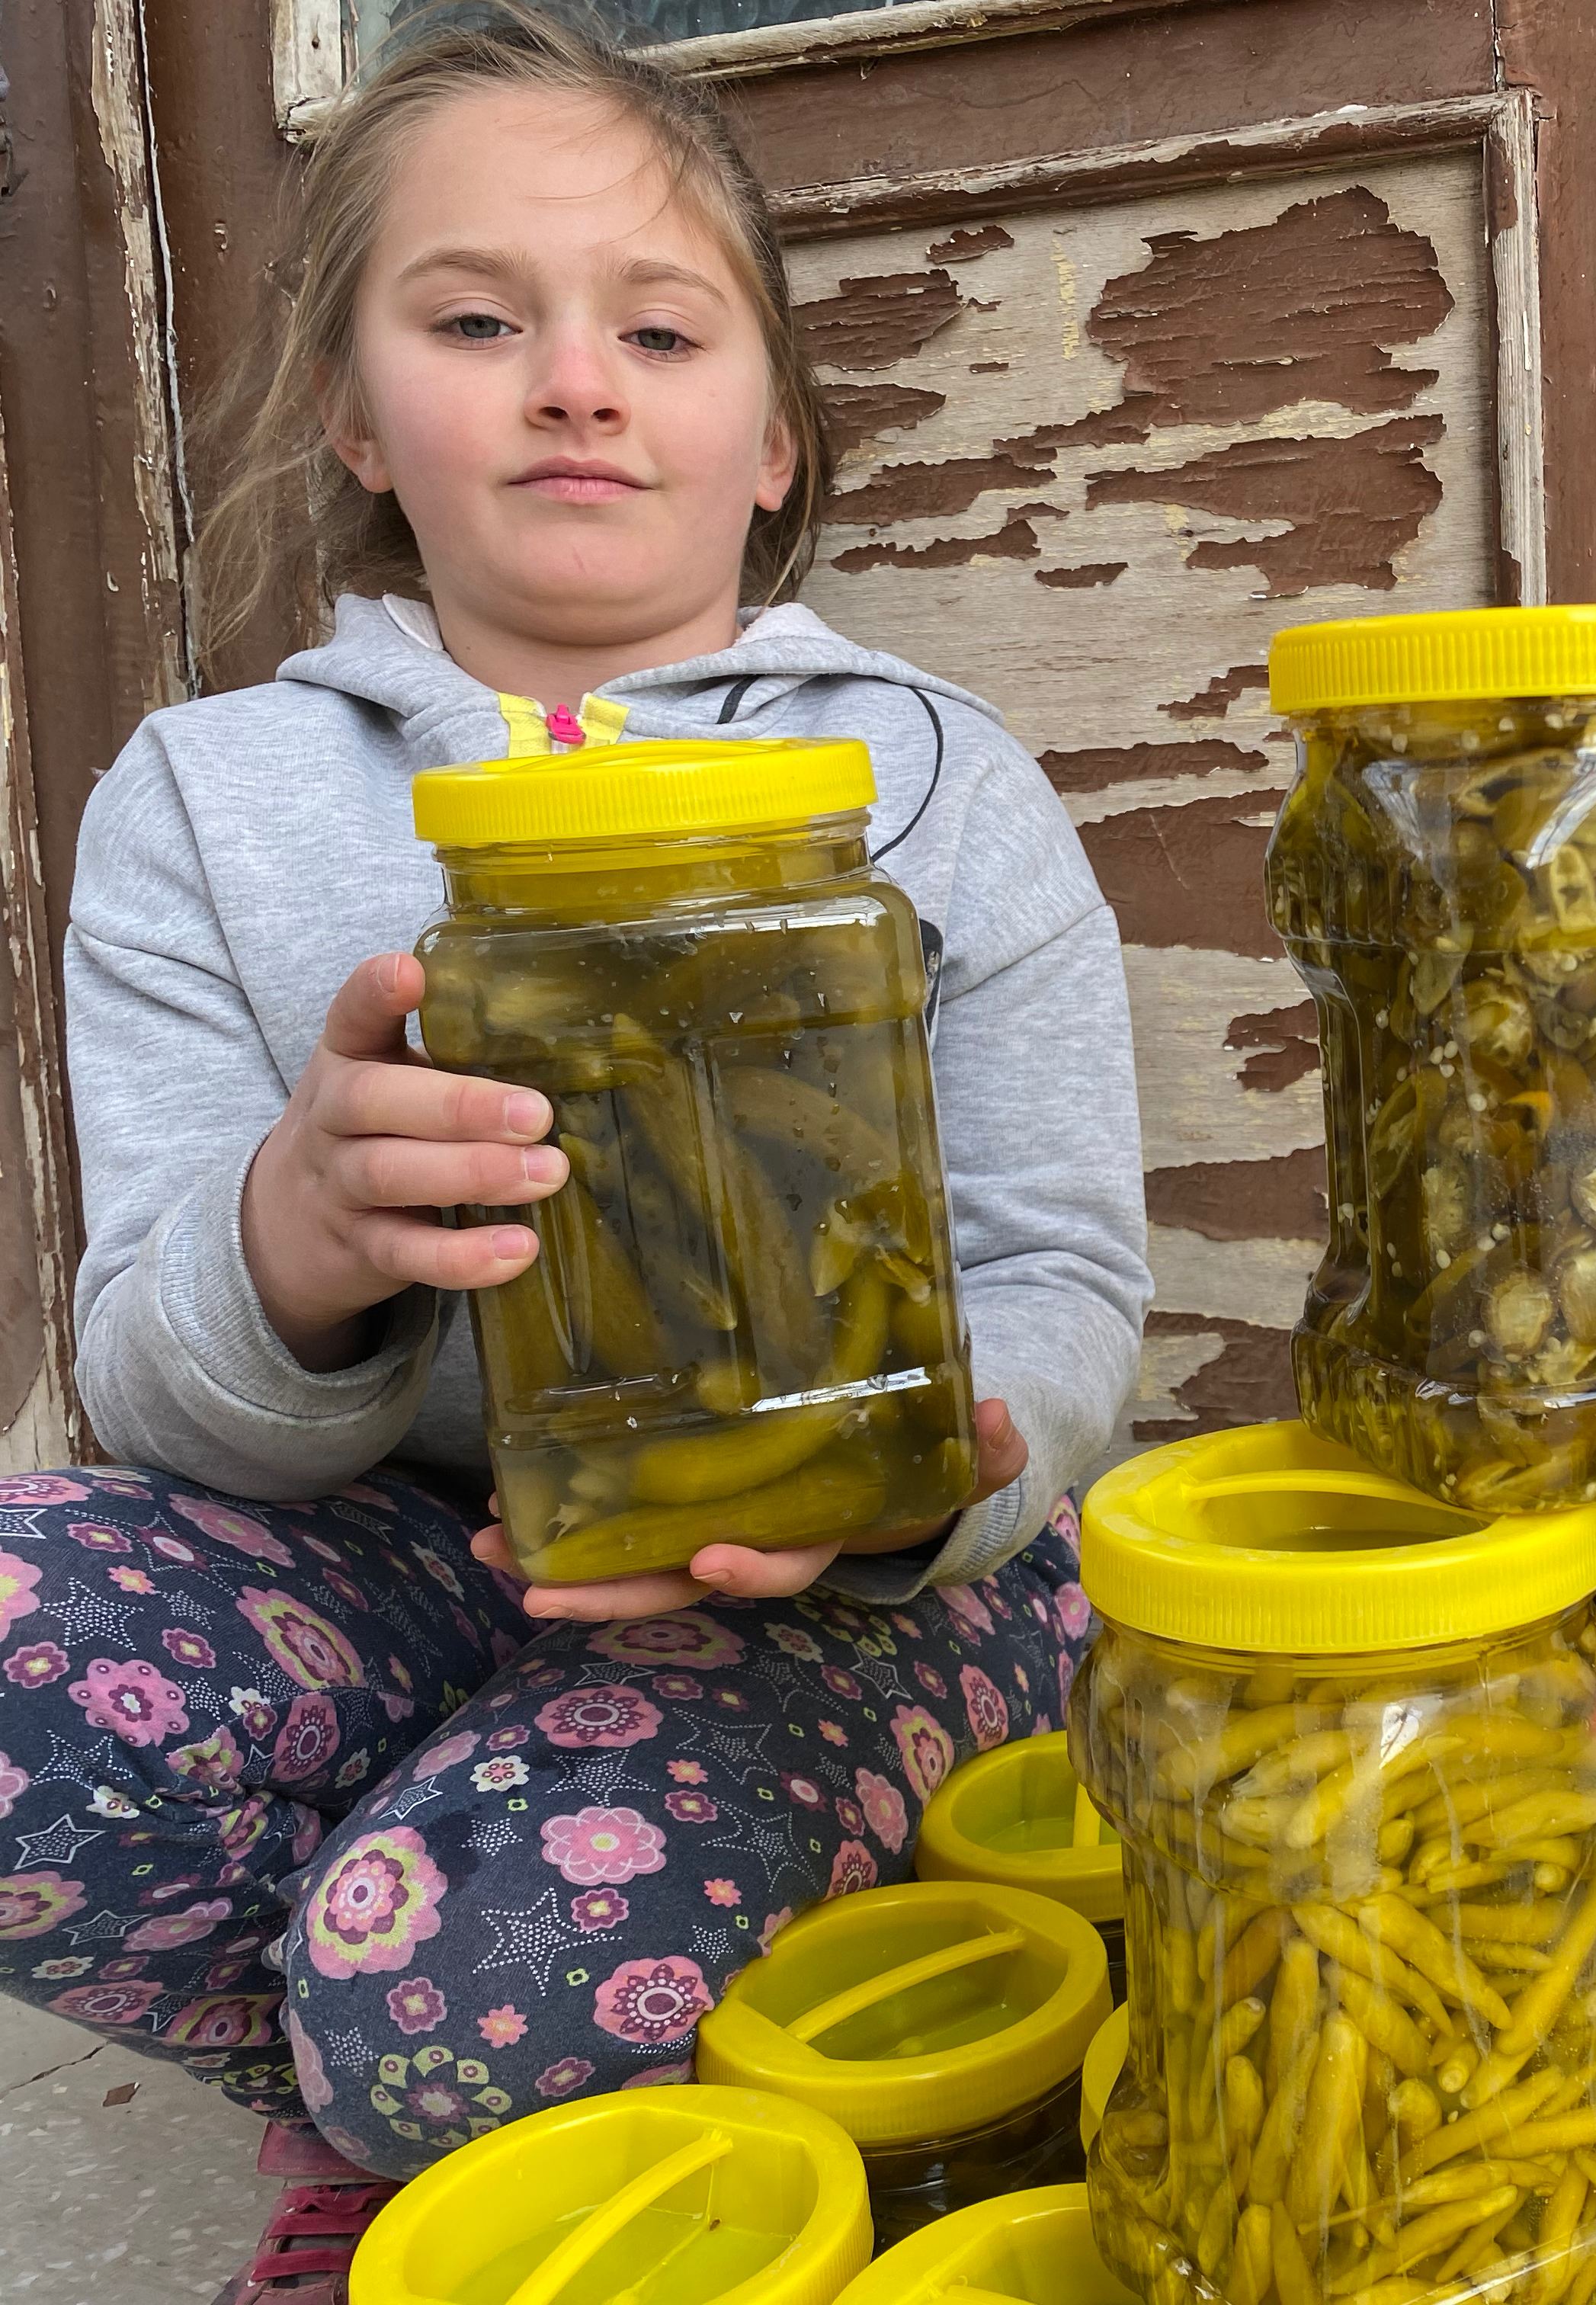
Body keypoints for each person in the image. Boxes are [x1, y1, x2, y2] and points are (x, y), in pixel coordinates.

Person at [0, 5, 1149, 2288]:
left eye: (657, 324)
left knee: (473, 1973)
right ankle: (368, 2087)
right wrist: (296, 1232)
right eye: (473, 319)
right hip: (402, 1562)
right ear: (352, 412)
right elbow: (144, 1383)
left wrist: (926, 1484)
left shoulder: (931, 790)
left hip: (837, 1595)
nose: (575, 380)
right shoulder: (205, 805)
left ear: (775, 443)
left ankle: (489, 2045)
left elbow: (1062, 1287)